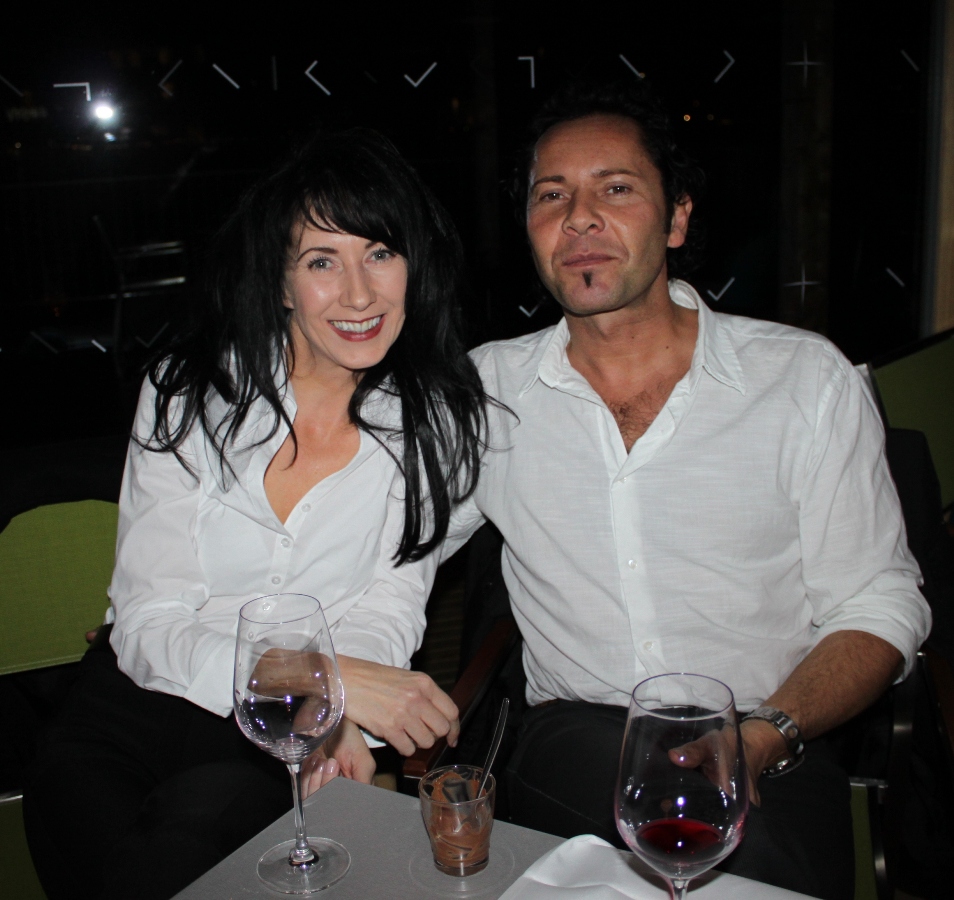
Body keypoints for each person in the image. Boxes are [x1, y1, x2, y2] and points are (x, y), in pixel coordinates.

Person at [444, 81, 931, 900]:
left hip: (772, 739)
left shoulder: (804, 380)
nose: (579, 219)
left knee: (764, 857)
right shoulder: (485, 393)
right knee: (711, 838)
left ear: (676, 220)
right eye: (551, 195)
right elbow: (380, 530)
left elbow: (878, 602)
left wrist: (765, 734)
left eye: (616, 189)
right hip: (576, 737)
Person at [23, 127, 489, 900]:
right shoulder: (190, 393)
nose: (359, 294)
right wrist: (327, 683)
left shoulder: (433, 429)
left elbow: (387, 608)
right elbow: (148, 620)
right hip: (133, 707)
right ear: (279, 282)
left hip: (277, 738)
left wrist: (333, 721)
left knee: (206, 823)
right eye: (321, 262)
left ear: (415, 265)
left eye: (380, 253)